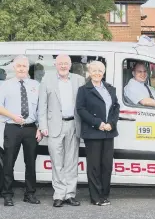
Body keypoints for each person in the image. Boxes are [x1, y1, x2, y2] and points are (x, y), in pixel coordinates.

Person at [38, 54, 85, 207]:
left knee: (71, 162)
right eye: (60, 63)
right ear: (55, 65)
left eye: (66, 63)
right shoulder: (47, 80)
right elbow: (42, 106)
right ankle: (59, 195)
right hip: (53, 127)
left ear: (70, 65)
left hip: (73, 124)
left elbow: (83, 105)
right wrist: (43, 126)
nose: (63, 66)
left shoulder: (79, 80)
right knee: (57, 162)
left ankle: (70, 194)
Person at [76, 61, 120, 206]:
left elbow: (115, 107)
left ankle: (104, 195)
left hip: (109, 132)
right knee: (94, 166)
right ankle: (95, 198)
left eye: (100, 70)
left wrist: (111, 124)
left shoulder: (110, 89)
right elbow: (81, 110)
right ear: (89, 72)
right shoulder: (83, 90)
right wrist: (98, 123)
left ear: (104, 72)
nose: (97, 73)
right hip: (93, 133)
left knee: (107, 166)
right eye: (94, 70)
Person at [0, 55, 42, 206]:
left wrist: (40, 128)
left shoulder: (36, 85)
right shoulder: (5, 85)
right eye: (19, 66)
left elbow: (40, 108)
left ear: (27, 68)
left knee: (30, 162)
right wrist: (13, 116)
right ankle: (7, 194)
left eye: (24, 66)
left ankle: (29, 194)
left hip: (31, 129)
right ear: (14, 68)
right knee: (8, 162)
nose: (22, 69)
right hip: (12, 128)